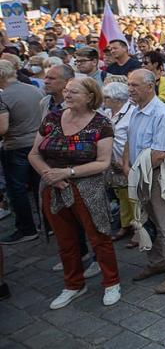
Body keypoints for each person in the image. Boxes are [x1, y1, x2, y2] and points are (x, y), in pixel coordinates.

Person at [27, 78, 120, 309]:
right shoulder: (51, 118)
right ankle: (73, 284)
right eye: (66, 91)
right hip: (53, 187)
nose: (66, 95)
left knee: (99, 236)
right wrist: (50, 175)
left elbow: (103, 162)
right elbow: (34, 154)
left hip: (88, 189)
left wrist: (67, 172)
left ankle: (111, 282)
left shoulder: (100, 123)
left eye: (73, 92)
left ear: (90, 96)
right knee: (66, 240)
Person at [123, 69, 165, 294]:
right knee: (147, 222)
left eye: (135, 85)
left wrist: (135, 172)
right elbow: (128, 141)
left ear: (150, 86)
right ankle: (157, 261)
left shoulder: (161, 113)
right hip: (139, 175)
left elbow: (160, 153)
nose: (130, 89)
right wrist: (126, 166)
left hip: (157, 176)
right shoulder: (135, 109)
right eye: (129, 84)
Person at [0, 60, 45, 245]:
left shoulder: (3, 97)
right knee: (39, 187)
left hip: (16, 146)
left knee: (17, 189)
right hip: (38, 143)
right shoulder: (34, 89)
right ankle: (48, 225)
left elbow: (2, 128)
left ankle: (27, 229)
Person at [101, 81, 135, 243]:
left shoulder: (132, 112)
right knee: (122, 194)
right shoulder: (107, 112)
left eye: (106, 97)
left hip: (130, 161)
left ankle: (140, 227)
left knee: (135, 195)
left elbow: (133, 140)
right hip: (113, 162)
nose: (104, 100)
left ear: (117, 99)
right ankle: (125, 224)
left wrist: (126, 161)